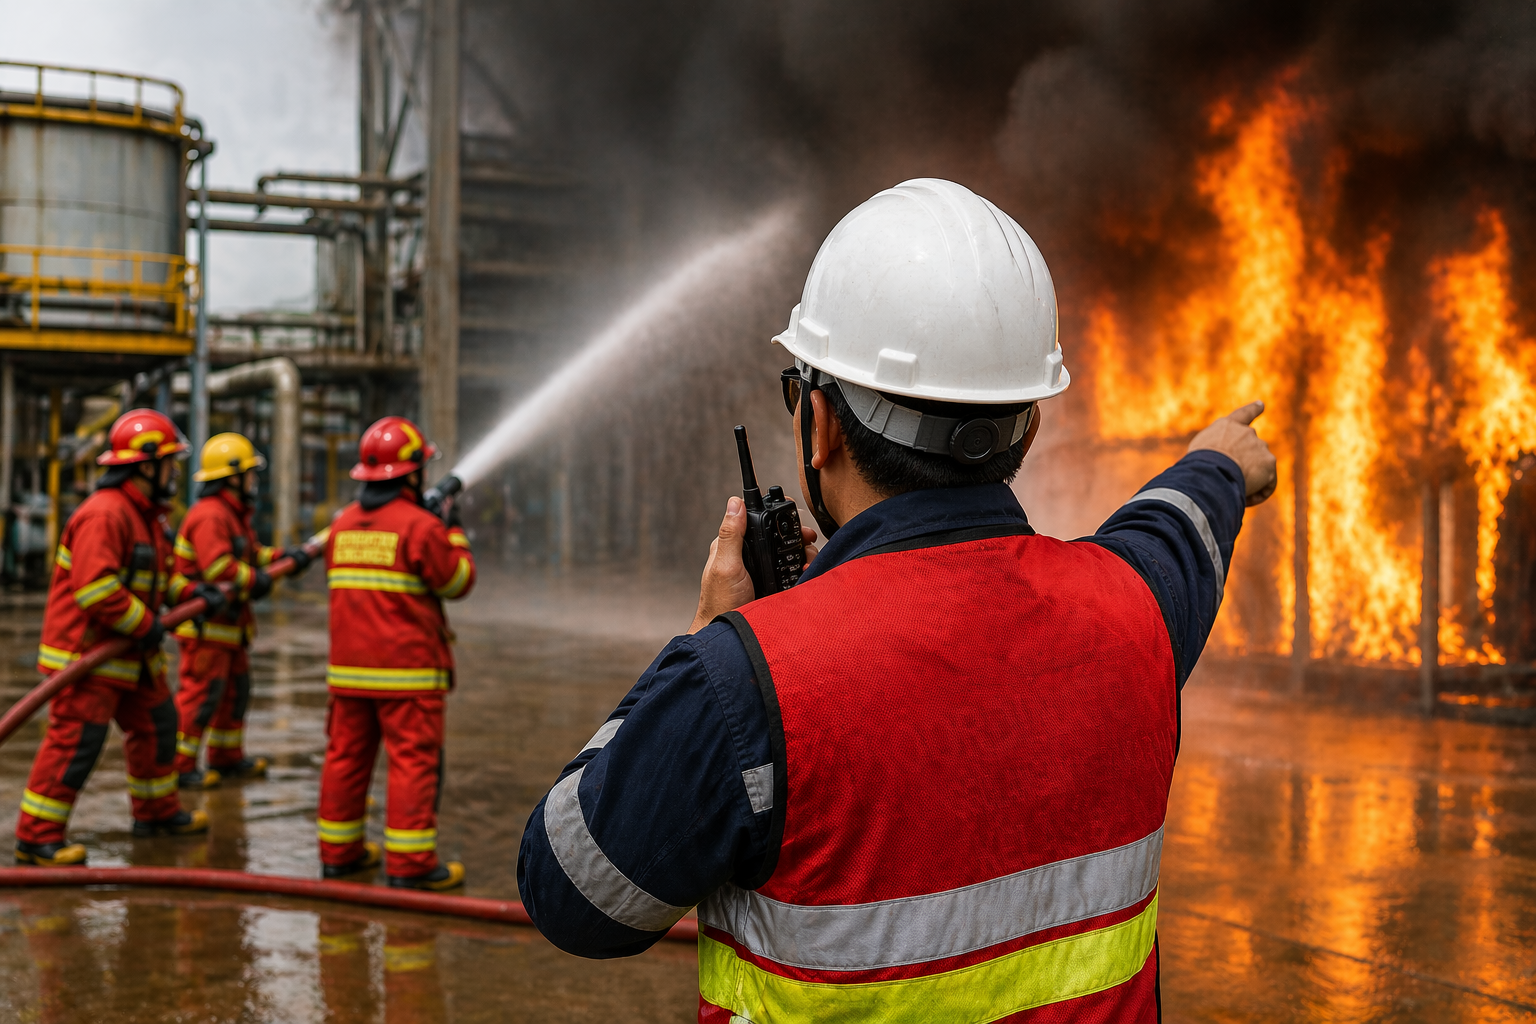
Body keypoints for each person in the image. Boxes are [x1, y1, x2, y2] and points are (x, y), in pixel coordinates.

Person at [517, 179, 1278, 1021]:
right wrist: (1220, 462)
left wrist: (700, 646)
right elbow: (1175, 534)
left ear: (821, 424)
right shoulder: (1137, 612)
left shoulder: (741, 679)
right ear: (1025, 425)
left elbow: (575, 895)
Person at [15, 409, 212, 866]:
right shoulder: (105, 515)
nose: (175, 472)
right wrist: (149, 625)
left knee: (159, 725)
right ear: (146, 465)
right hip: (88, 658)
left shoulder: (145, 516)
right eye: (169, 462)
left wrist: (194, 594)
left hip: (130, 656)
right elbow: (97, 590)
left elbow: (156, 579)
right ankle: (37, 838)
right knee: (76, 742)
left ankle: (157, 814)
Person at [316, 416, 476, 890]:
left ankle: (338, 855)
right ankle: (409, 867)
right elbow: (457, 581)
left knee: (345, 759)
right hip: (407, 676)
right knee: (412, 764)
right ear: (409, 474)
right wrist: (454, 531)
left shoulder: (341, 526)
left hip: (348, 676)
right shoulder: (422, 528)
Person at [169, 432, 313, 789]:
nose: (254, 480)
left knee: (235, 694)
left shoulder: (233, 515)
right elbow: (219, 568)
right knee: (201, 698)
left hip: (229, 629)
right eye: (249, 473)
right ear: (232, 476)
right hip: (206, 630)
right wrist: (258, 579)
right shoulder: (210, 516)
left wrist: (285, 558)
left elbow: (251, 555)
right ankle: (181, 766)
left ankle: (226, 758)